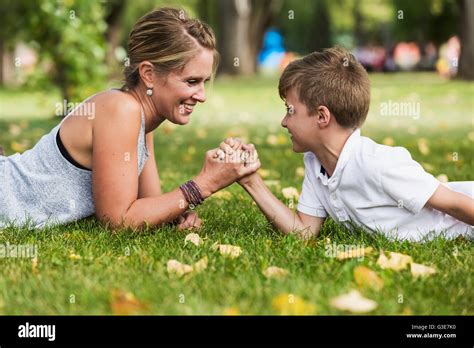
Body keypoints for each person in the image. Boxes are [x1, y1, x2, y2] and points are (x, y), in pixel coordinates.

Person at [0, 8, 259, 230]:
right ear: (148, 73)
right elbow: (119, 220)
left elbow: (147, 203)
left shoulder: (142, 120)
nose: (201, 96)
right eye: (191, 81)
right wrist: (205, 184)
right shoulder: (121, 110)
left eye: (204, 82)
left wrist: (174, 214)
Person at [219, 47, 473, 242]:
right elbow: (303, 233)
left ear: (322, 116)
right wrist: (251, 180)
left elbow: (455, 204)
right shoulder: (316, 163)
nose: (284, 122)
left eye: (290, 110)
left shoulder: (378, 163)